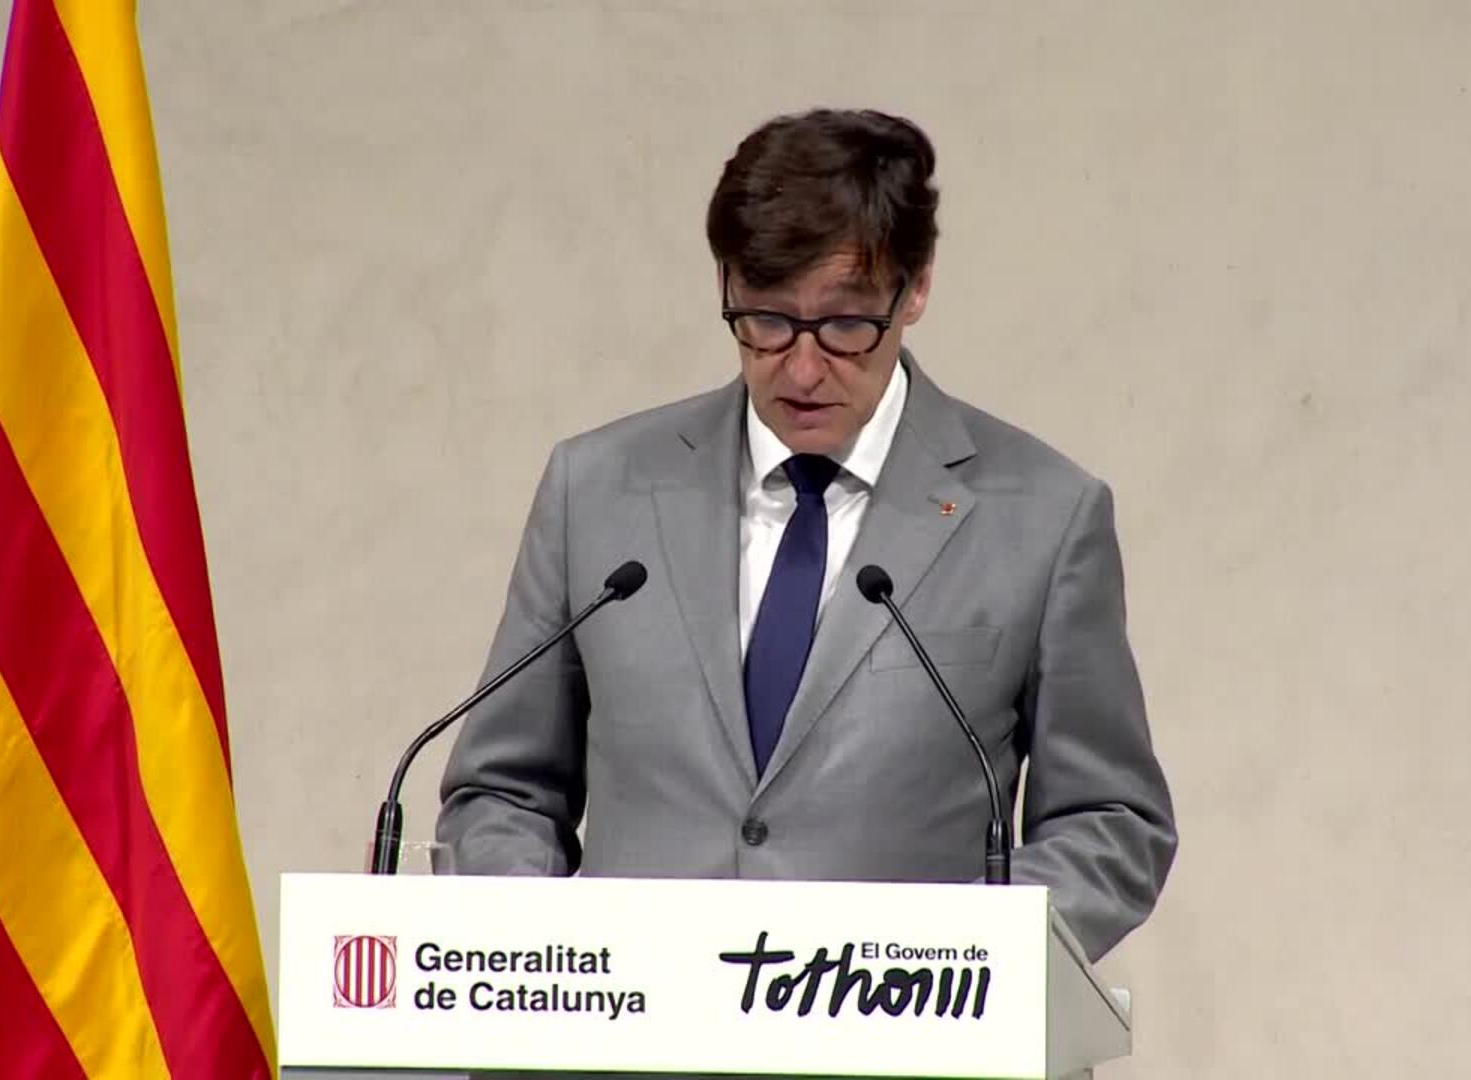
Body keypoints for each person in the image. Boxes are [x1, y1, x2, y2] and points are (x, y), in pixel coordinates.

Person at [436, 108, 1175, 961]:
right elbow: (501, 792)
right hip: (632, 1020)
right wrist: (537, 943)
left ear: (916, 289)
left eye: (847, 325)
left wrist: (968, 958)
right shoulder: (596, 490)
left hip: (897, 1024)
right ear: (726, 284)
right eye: (767, 320)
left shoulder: (1043, 515)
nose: (803, 366)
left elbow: (1110, 824)